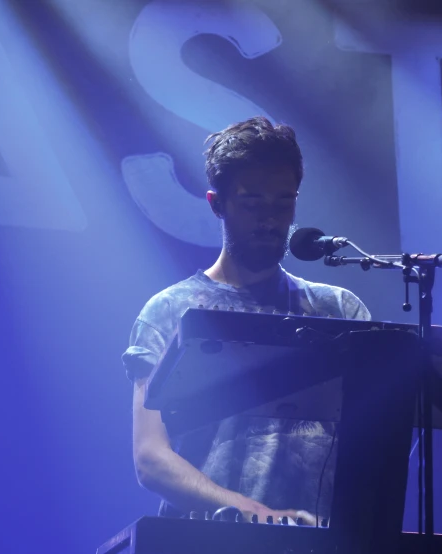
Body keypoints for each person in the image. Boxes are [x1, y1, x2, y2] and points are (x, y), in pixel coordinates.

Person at [122, 116, 371, 525]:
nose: (270, 219)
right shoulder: (171, 311)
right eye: (253, 202)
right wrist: (253, 513)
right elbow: (150, 457)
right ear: (216, 203)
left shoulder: (339, 310)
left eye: (283, 202)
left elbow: (370, 439)